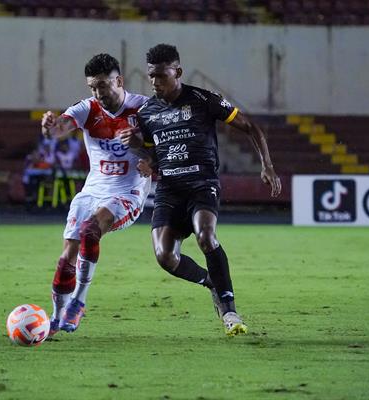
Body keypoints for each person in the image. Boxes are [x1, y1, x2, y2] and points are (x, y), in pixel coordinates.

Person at [124, 44, 282, 336]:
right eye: (151, 77)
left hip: (201, 184)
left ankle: (229, 309)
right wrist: (145, 159)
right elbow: (154, 155)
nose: (155, 82)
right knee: (165, 257)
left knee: (206, 237)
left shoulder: (203, 99)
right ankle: (211, 281)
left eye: (161, 75)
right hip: (169, 190)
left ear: (178, 72)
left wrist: (267, 165)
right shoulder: (147, 113)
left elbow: (251, 128)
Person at [42, 53, 150, 336]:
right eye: (92, 87)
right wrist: (51, 128)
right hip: (91, 191)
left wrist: (150, 156)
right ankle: (55, 317)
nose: (98, 93)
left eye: (102, 85)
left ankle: (79, 301)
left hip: (127, 192)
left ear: (119, 81)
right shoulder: (87, 109)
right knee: (66, 258)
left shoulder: (144, 108)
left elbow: (165, 145)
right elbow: (60, 128)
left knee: (91, 230)